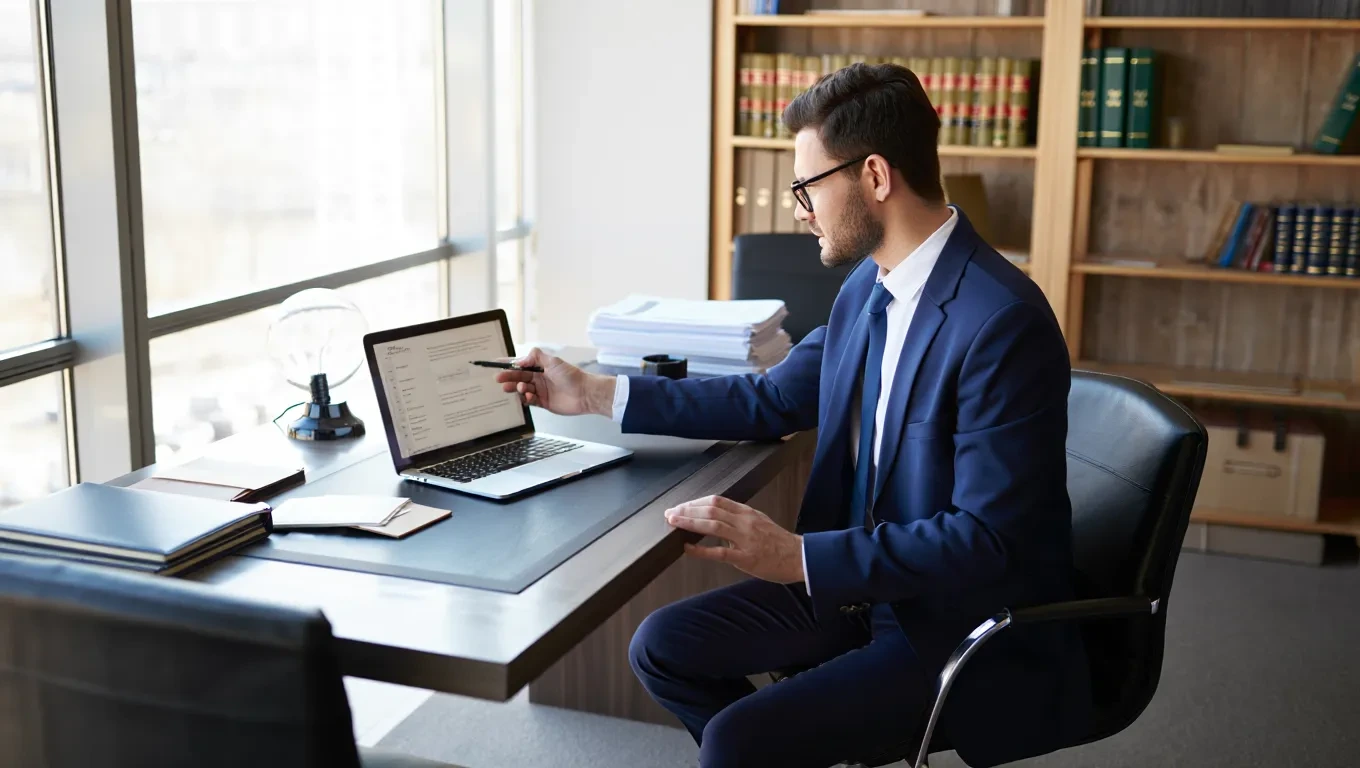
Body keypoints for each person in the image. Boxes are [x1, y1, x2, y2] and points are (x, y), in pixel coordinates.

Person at [497, 63, 1089, 768]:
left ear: (875, 176)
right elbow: (772, 397)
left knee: (735, 742)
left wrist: (800, 557)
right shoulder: (870, 285)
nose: (800, 211)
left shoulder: (1001, 320)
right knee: (660, 647)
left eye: (807, 187)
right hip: (862, 587)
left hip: (950, 618)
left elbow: (988, 541)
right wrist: (595, 392)